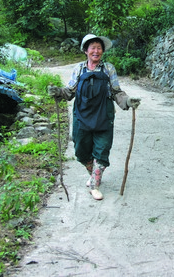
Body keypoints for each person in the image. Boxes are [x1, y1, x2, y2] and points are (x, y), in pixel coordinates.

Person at [48, 34, 141, 200]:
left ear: (103, 51)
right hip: (82, 115)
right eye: (93, 48)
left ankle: (94, 184)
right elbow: (69, 92)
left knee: (102, 149)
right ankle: (94, 175)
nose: (96, 51)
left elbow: (116, 92)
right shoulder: (79, 69)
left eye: (99, 48)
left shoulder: (108, 68)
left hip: (103, 115)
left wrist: (127, 101)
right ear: (86, 51)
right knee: (81, 150)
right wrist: (58, 92)